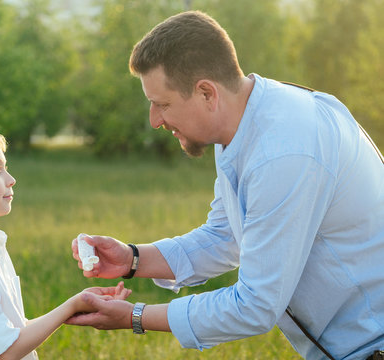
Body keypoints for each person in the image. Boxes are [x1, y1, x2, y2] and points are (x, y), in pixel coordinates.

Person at [67, 10, 384, 360]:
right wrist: (133, 259)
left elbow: (255, 306)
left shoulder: (283, 151)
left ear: (206, 93)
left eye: (162, 104)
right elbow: (226, 236)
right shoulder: (242, 124)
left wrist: (135, 316)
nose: (155, 120)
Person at [0, 125, 131, 360]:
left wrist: (80, 304)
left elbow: (11, 333)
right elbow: (5, 352)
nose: (11, 179)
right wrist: (72, 305)